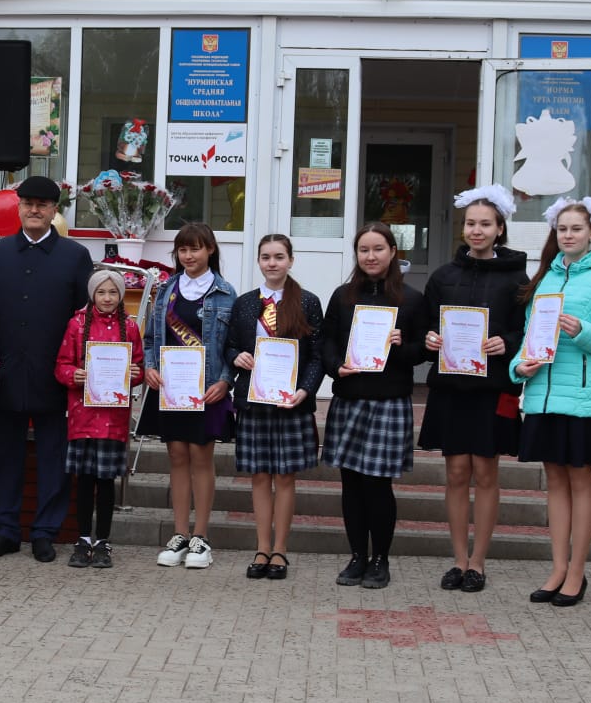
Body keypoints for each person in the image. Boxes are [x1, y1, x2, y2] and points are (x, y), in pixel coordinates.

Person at [510, 196, 591, 608]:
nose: (568, 235)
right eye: (562, 229)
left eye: (576, 228)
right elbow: (530, 338)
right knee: (555, 484)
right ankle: (558, 568)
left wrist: (583, 332)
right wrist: (518, 366)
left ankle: (577, 571)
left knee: (581, 482)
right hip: (542, 397)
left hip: (582, 399)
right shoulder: (544, 278)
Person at [0, 175, 93, 562]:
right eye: (27, 204)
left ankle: (45, 532)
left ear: (54, 210)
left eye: (42, 205)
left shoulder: (75, 256)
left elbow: (84, 319)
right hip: (6, 372)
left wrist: (78, 368)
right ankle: (5, 530)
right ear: (19, 208)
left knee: (53, 458)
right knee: (3, 457)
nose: (34, 210)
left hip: (54, 375)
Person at [419, 186, 530, 593]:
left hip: (491, 389)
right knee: (455, 473)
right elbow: (426, 325)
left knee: (485, 472)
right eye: (470, 223)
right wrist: (430, 338)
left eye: (485, 224)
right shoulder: (443, 276)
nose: (476, 230)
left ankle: (478, 562)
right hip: (451, 387)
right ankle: (458, 560)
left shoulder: (518, 278)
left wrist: (508, 343)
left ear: (500, 229)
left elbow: (526, 330)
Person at [320, 224, 427, 590]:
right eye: (363, 250)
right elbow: (326, 341)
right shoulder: (342, 296)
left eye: (378, 249)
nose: (370, 256)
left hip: (388, 401)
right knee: (351, 483)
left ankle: (380, 559)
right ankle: (357, 557)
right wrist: (336, 366)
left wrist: (402, 345)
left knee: (378, 485)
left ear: (393, 251)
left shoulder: (411, 299)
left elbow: (423, 351)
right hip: (350, 397)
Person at [227, 234, 325, 581]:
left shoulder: (308, 301)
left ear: (290, 261)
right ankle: (261, 547)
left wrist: (305, 390)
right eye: (266, 257)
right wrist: (236, 356)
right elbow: (230, 345)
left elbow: (316, 356)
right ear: (258, 261)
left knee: (284, 476)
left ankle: (280, 550)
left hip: (289, 403)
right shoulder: (244, 303)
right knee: (259, 476)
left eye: (279, 257)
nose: (272, 263)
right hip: (254, 401)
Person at [140, 222, 237, 570]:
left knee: (200, 457)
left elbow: (233, 346)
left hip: (207, 389)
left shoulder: (225, 292)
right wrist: (150, 367)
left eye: (195, 248)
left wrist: (225, 381)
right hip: (171, 388)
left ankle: (201, 537)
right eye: (182, 250)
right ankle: (179, 534)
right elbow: (151, 338)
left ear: (210, 250)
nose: (188, 256)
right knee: (177, 456)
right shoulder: (167, 289)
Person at [54, 267, 144, 569]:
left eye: (113, 292)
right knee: (84, 480)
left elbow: (138, 366)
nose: (107, 298)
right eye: (101, 292)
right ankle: (82, 539)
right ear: (92, 294)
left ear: (121, 295)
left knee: (106, 481)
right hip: (83, 415)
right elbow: (61, 365)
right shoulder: (77, 324)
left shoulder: (130, 327)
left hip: (113, 417)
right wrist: (73, 374)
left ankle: (103, 541)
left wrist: (135, 373)